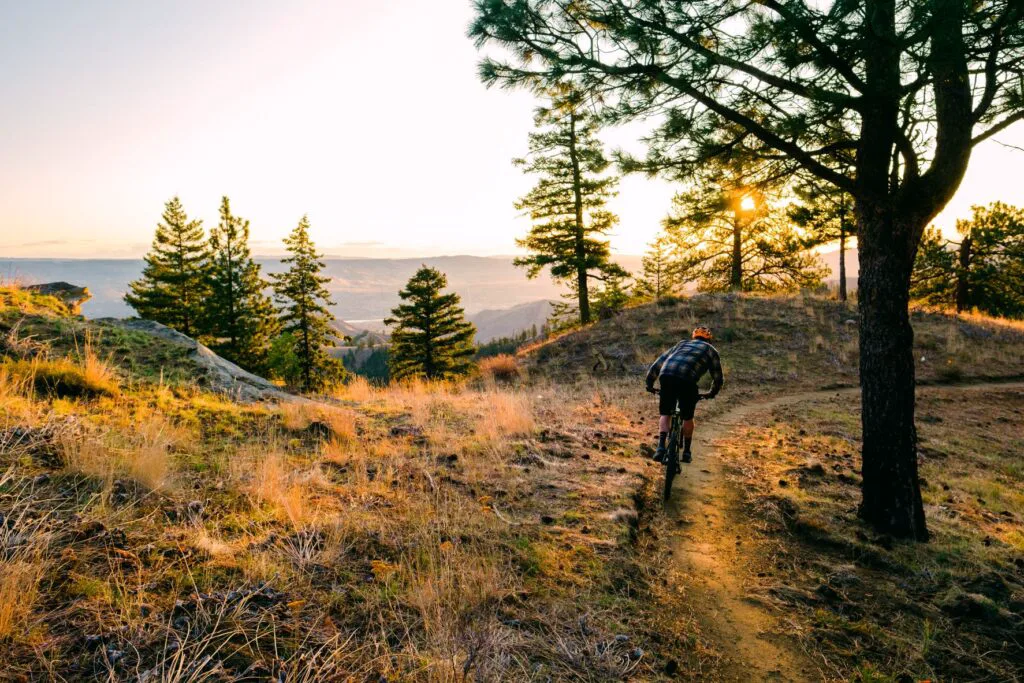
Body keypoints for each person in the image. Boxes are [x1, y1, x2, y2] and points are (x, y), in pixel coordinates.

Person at [645, 326, 724, 464]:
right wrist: (712, 393)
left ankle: (660, 447)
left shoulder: (681, 344)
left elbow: (659, 362)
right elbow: (717, 377)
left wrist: (650, 383)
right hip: (687, 380)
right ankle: (687, 452)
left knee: (665, 413)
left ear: (693, 337)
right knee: (688, 417)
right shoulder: (711, 351)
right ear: (709, 340)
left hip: (666, 376)